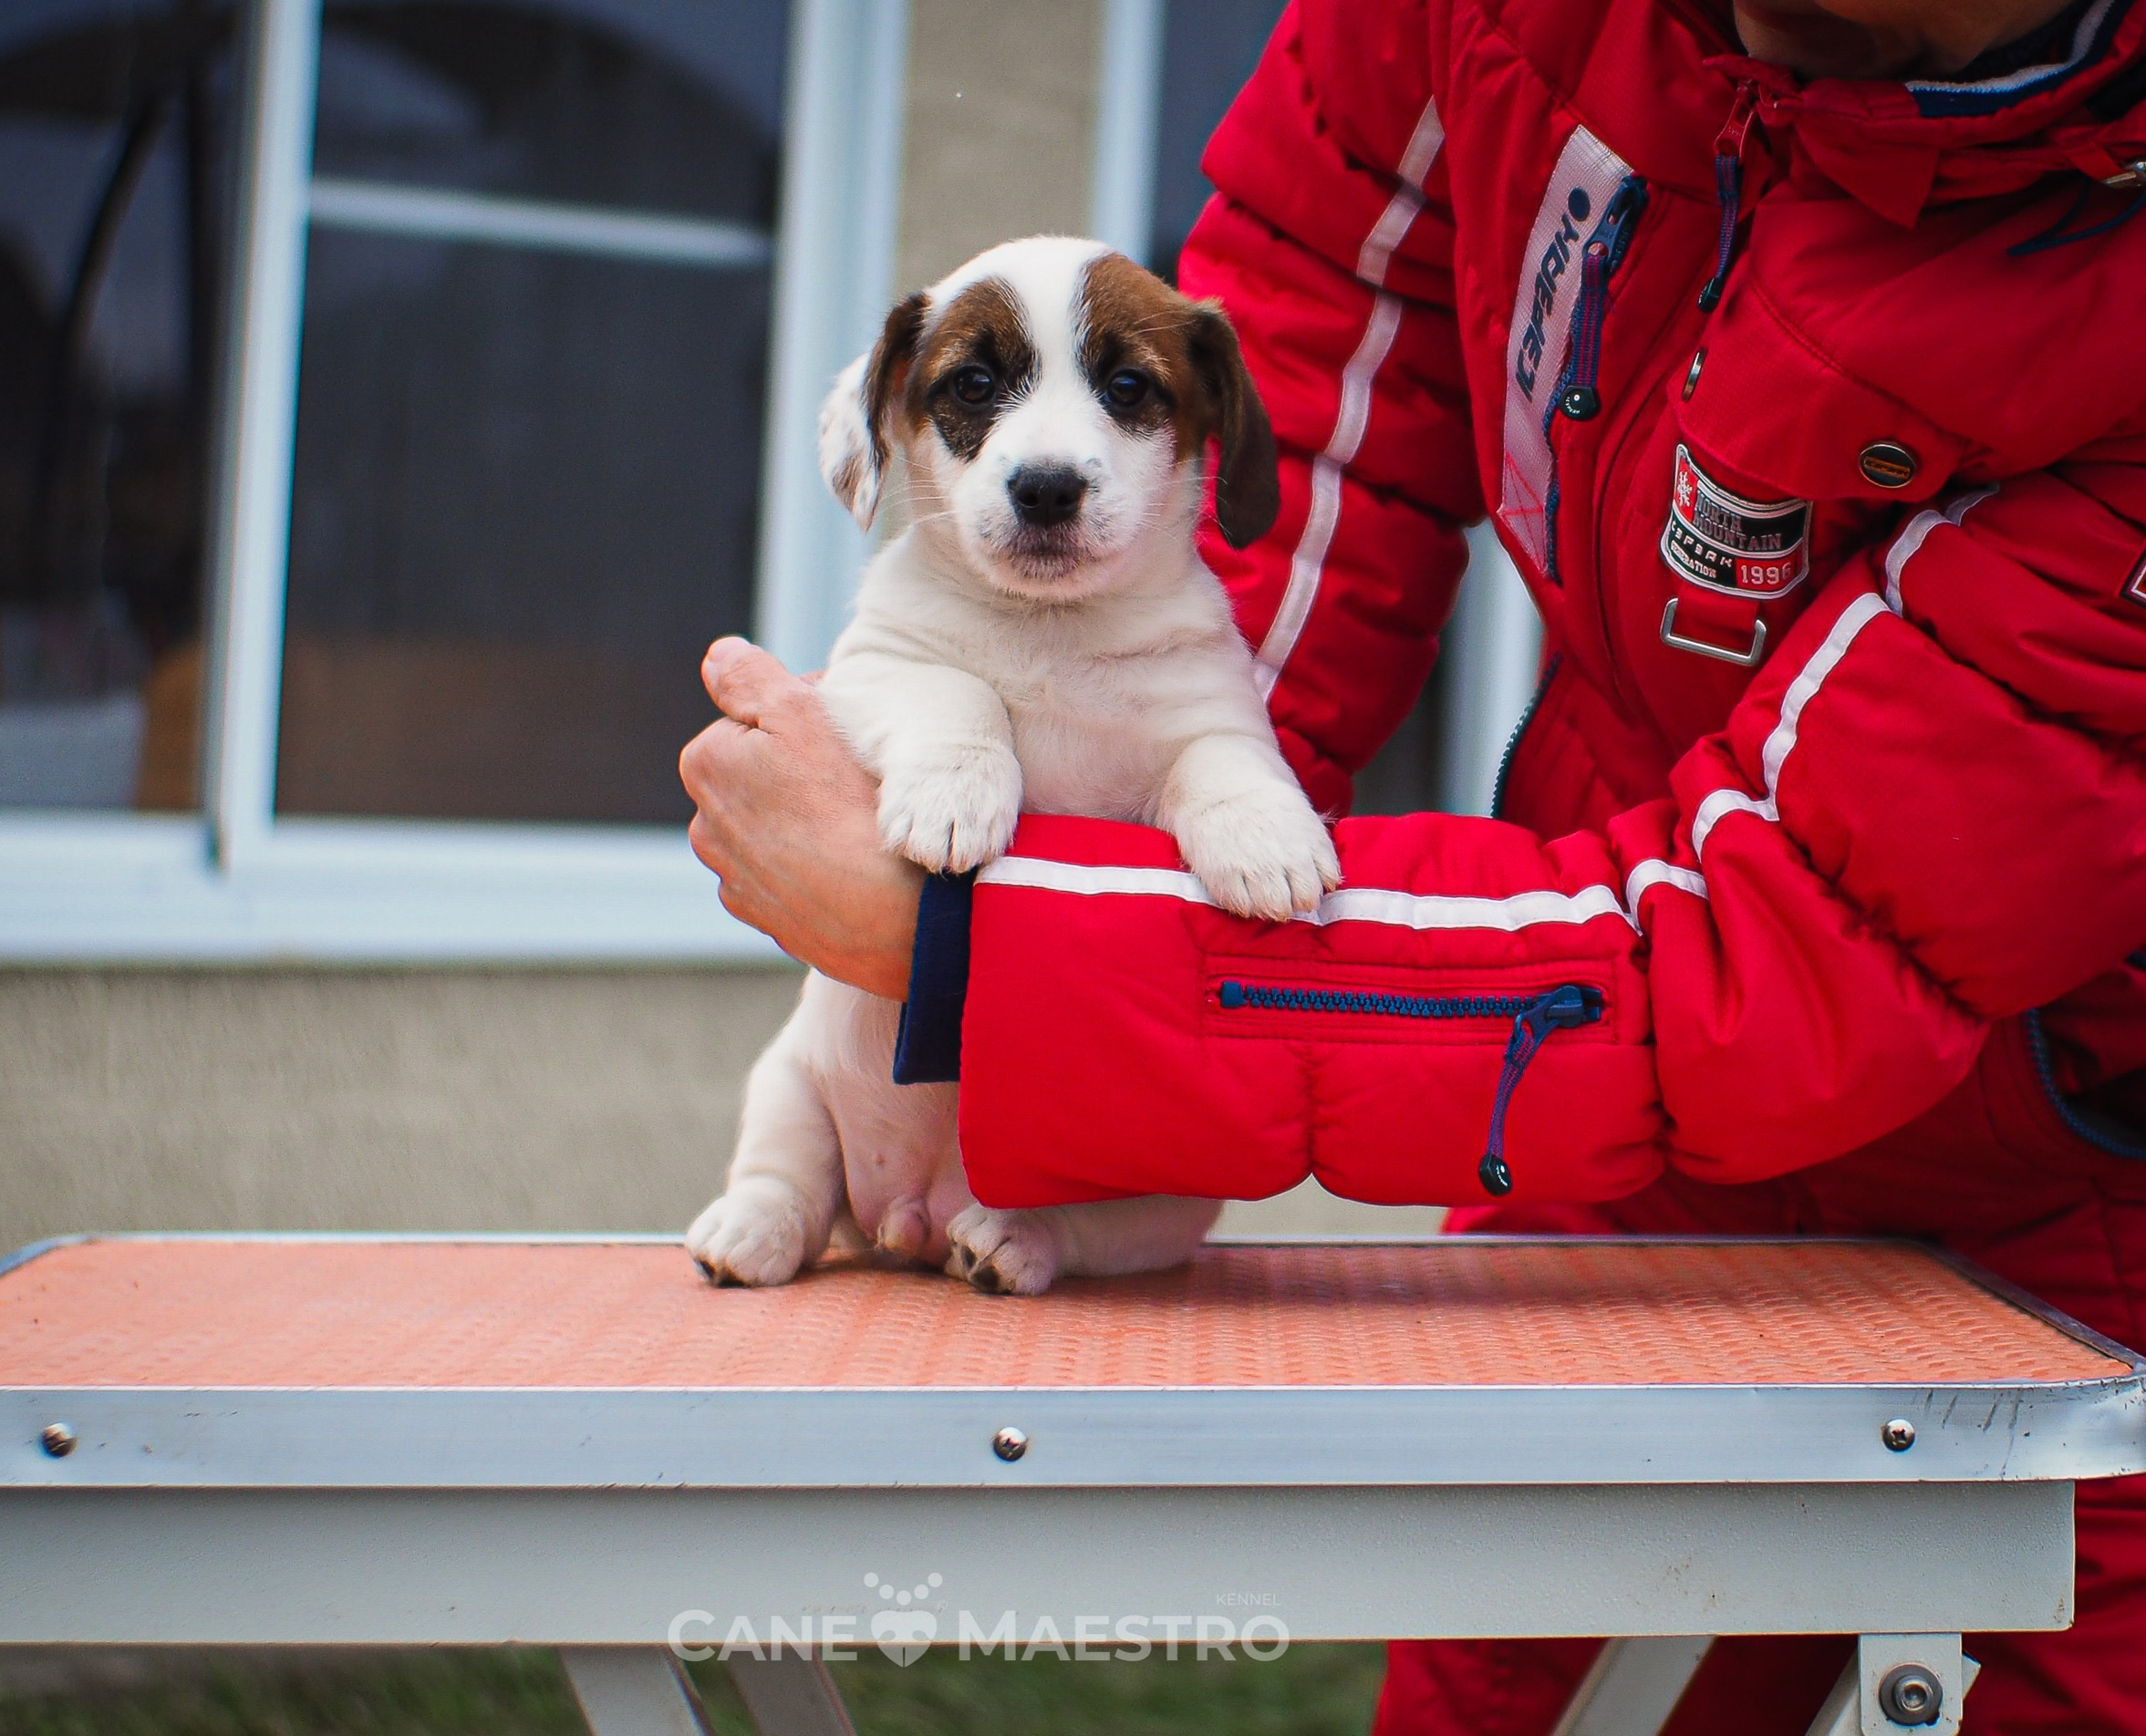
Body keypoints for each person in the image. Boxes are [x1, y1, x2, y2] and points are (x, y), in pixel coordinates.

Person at [681, 0, 2146, 1726]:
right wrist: (1139, 874)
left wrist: (983, 946)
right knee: (1504, 1689)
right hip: (1597, 1115)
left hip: (2068, 1196)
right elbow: (1317, 390)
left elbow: (1801, 936)